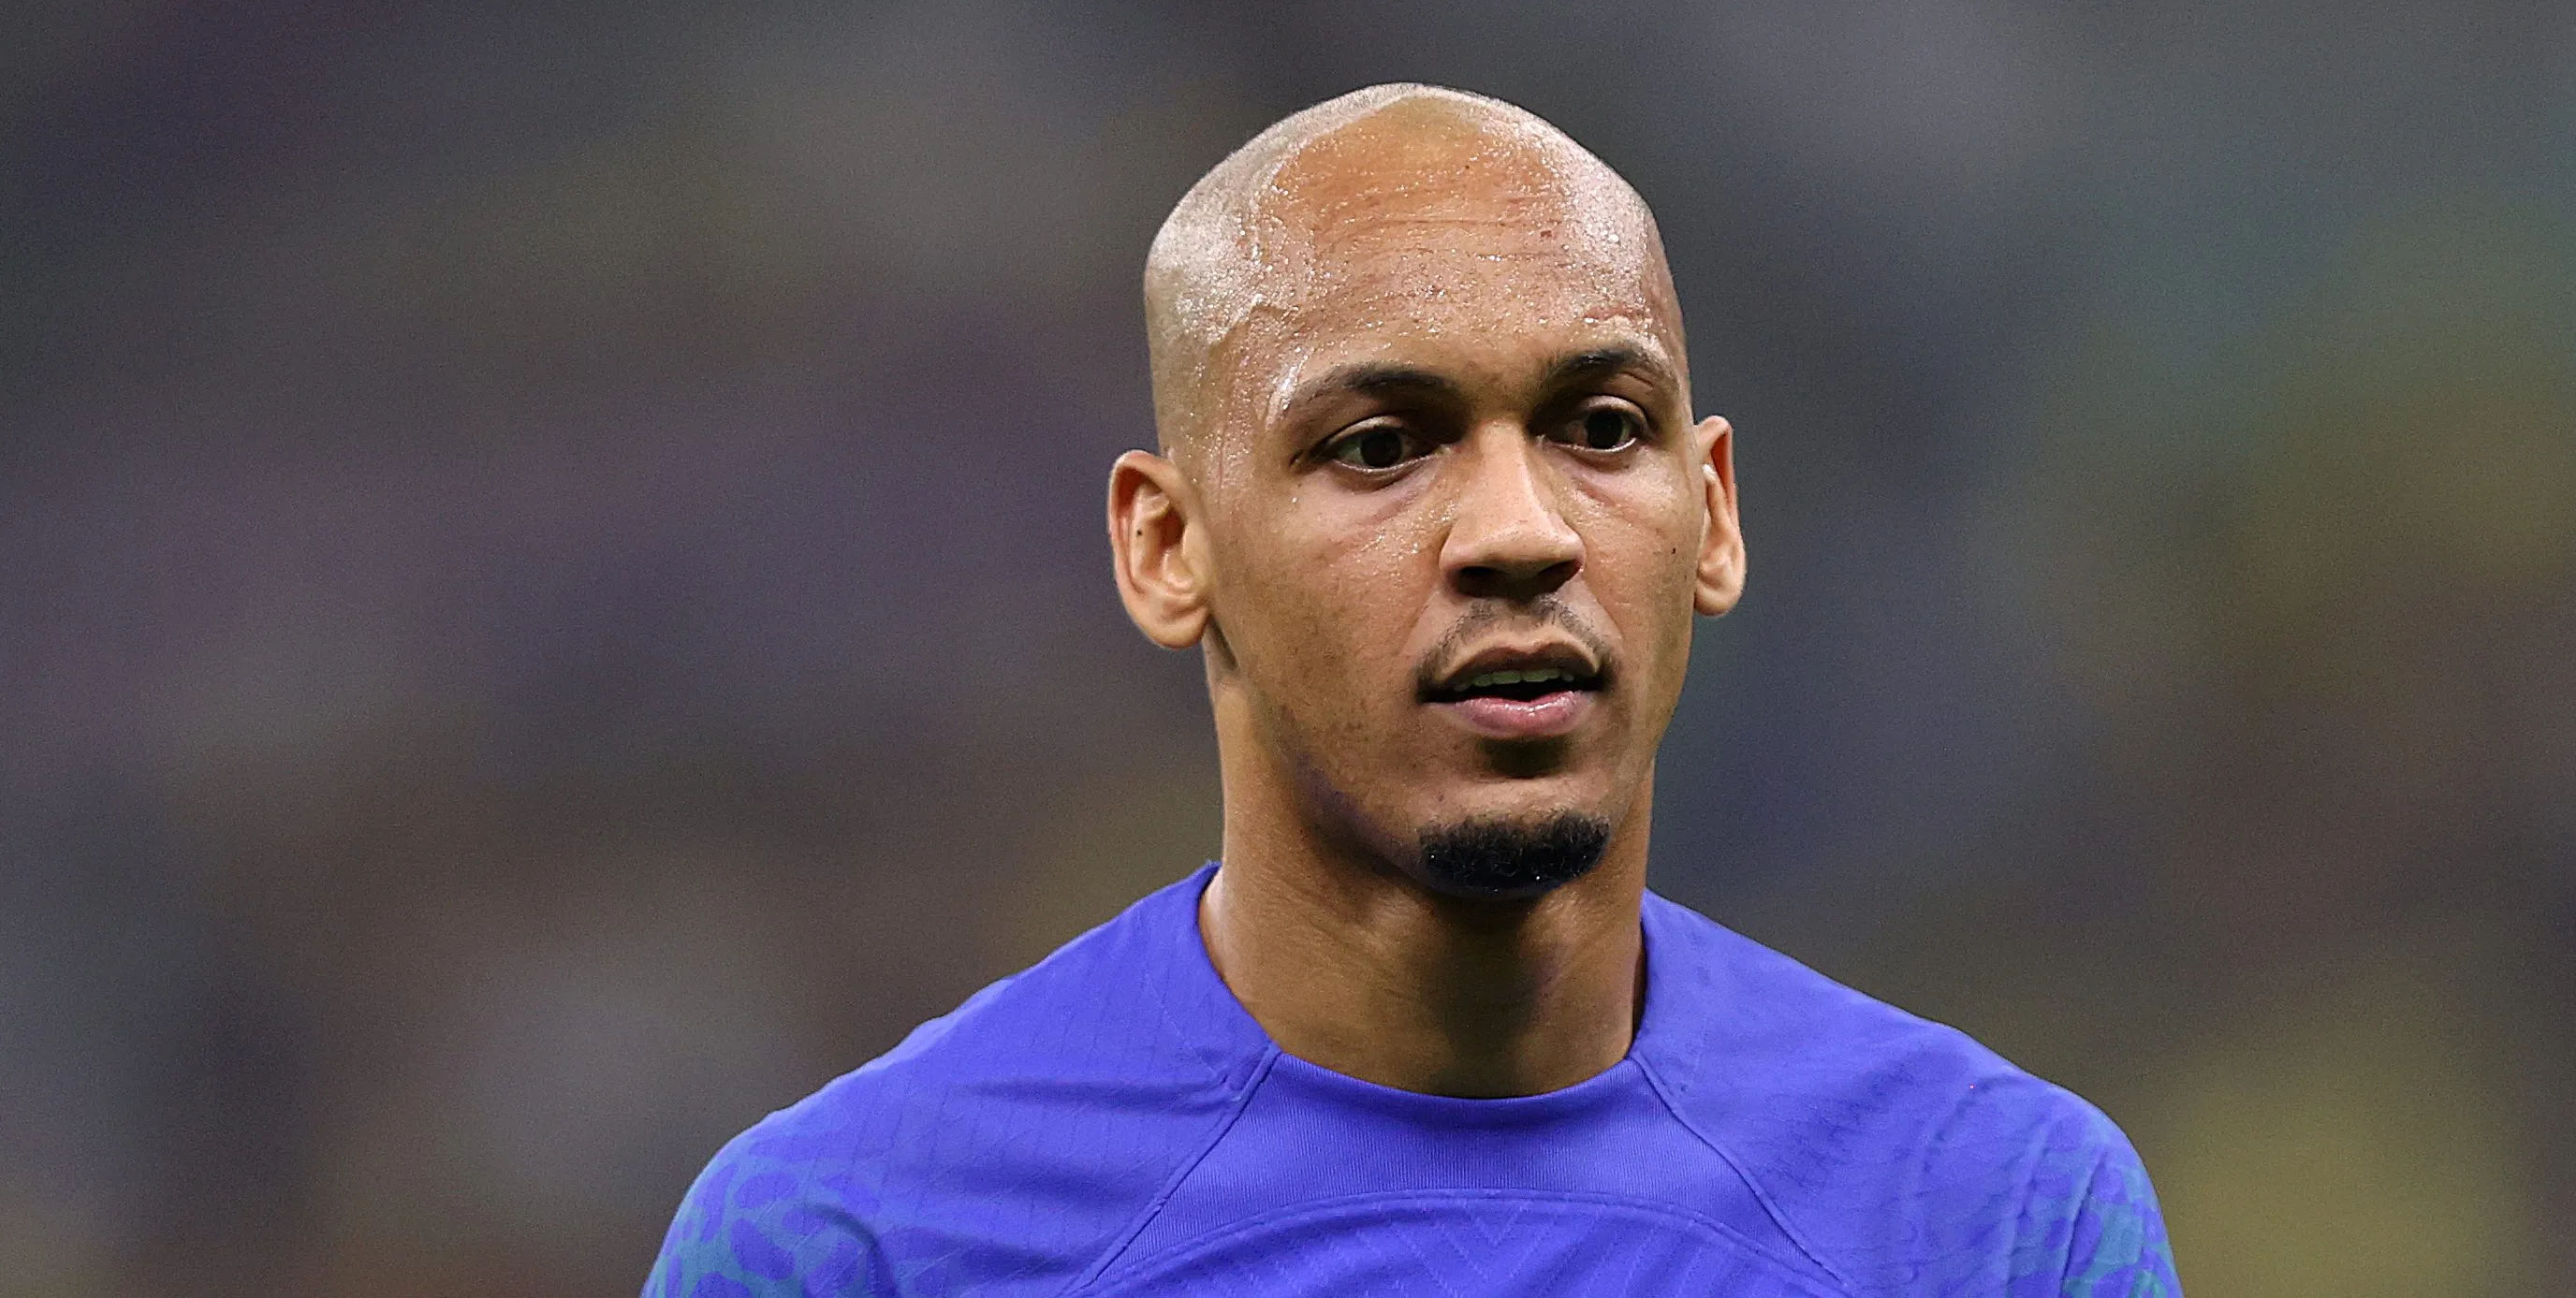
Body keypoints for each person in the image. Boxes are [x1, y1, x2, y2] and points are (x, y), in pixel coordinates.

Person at [643, 84, 2180, 1296]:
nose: (1523, 533)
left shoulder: (1997, 1224)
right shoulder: (856, 1248)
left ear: (1711, 514)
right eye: (1380, 445)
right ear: (1169, 546)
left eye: (1599, 425)